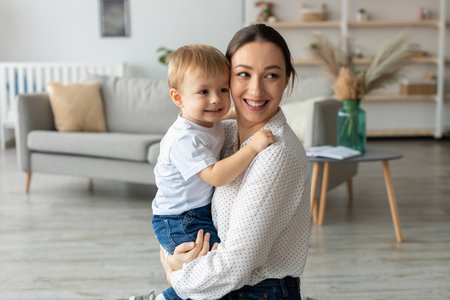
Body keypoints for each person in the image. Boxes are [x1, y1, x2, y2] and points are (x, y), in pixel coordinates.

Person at [157, 24, 311, 300]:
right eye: (243, 74)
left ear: (286, 80)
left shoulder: (277, 153)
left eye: (271, 75)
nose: (256, 89)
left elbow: (235, 265)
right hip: (218, 285)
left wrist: (175, 274)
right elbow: (174, 198)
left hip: (258, 292)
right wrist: (172, 254)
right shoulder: (224, 134)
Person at [142, 44, 275, 300]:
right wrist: (253, 148)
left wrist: (247, 112)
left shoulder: (207, 121)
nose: (216, 99)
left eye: (223, 89)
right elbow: (215, 175)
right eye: (204, 91)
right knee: (209, 272)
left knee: (211, 269)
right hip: (180, 218)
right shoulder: (185, 139)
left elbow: (228, 116)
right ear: (178, 98)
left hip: (195, 210)